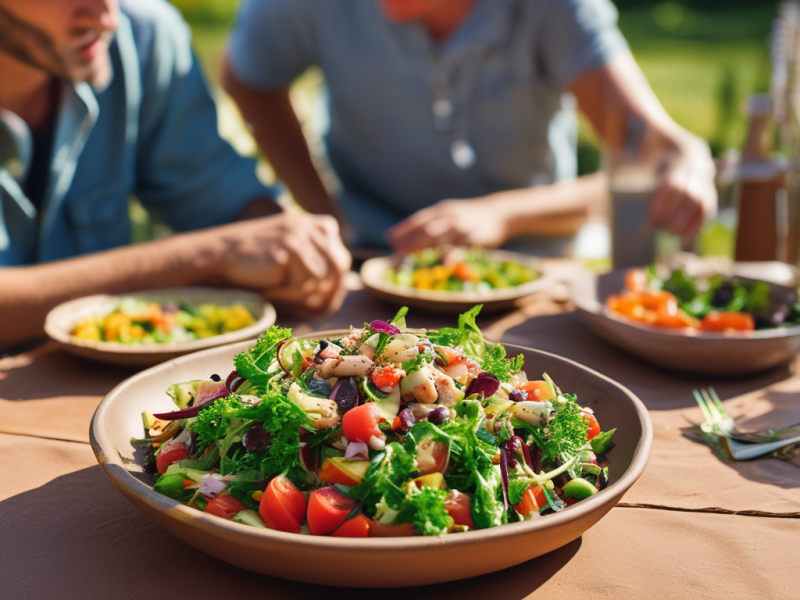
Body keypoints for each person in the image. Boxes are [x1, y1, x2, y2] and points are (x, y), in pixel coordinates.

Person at [222, 0, 716, 255]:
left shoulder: (554, 10)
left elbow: (649, 150)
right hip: (368, 255)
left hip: (528, 267)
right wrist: (323, 210)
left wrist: (502, 215)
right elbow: (247, 78)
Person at [0, 0, 351, 350]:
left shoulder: (143, 37)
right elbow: (227, 243)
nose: (107, 17)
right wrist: (210, 256)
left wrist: (290, 251)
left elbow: (221, 198)